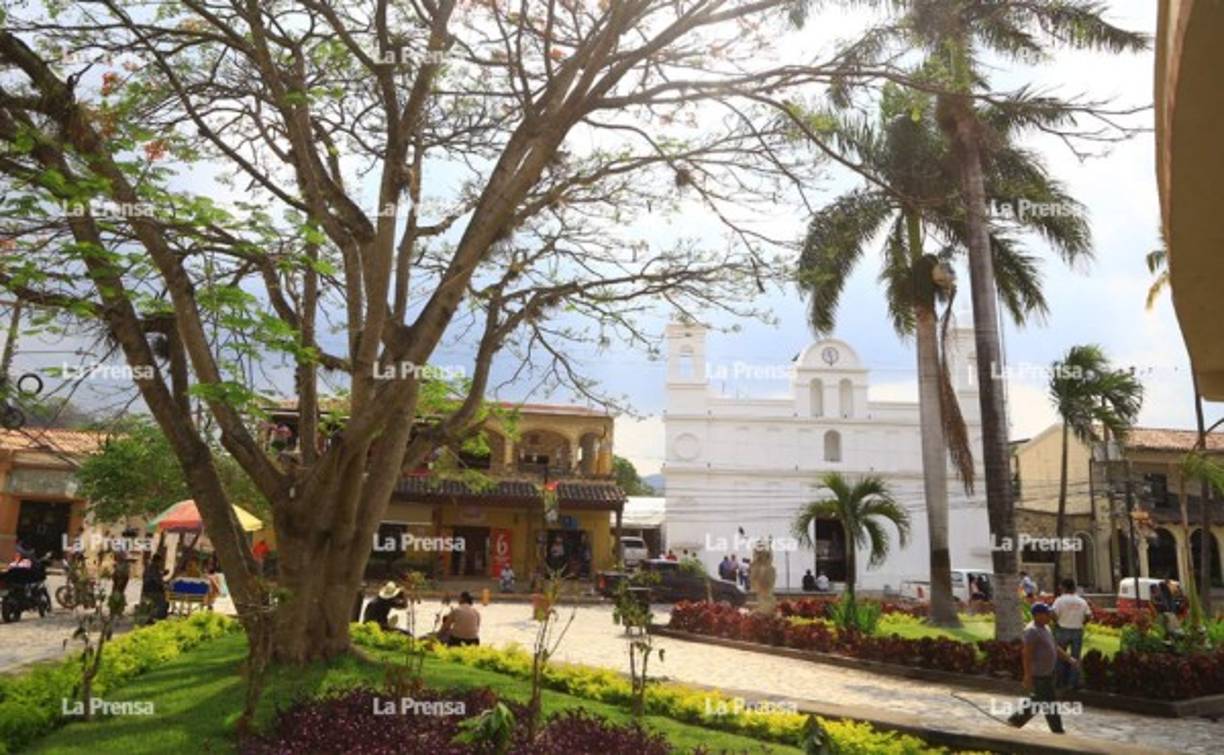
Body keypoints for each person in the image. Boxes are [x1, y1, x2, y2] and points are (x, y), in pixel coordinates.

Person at [1007, 603, 1076, 734]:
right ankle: (1057, 729)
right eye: (1047, 613)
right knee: (1045, 702)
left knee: (1041, 701)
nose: (1050, 616)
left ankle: (1015, 721)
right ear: (1037, 615)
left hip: (1047, 673)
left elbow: (1054, 646)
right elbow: (1026, 654)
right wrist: (1027, 675)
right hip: (1038, 674)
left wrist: (1069, 659)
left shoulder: (1046, 628)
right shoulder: (1032, 631)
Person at [1051, 579, 1091, 690]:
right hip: (1077, 630)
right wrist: (1082, 622)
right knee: (1075, 657)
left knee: (1060, 656)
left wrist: (1057, 622)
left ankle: (1059, 682)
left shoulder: (1059, 600)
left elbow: (1053, 613)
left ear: (1064, 587)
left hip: (1062, 629)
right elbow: (1088, 616)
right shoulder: (1082, 601)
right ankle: (1072, 683)